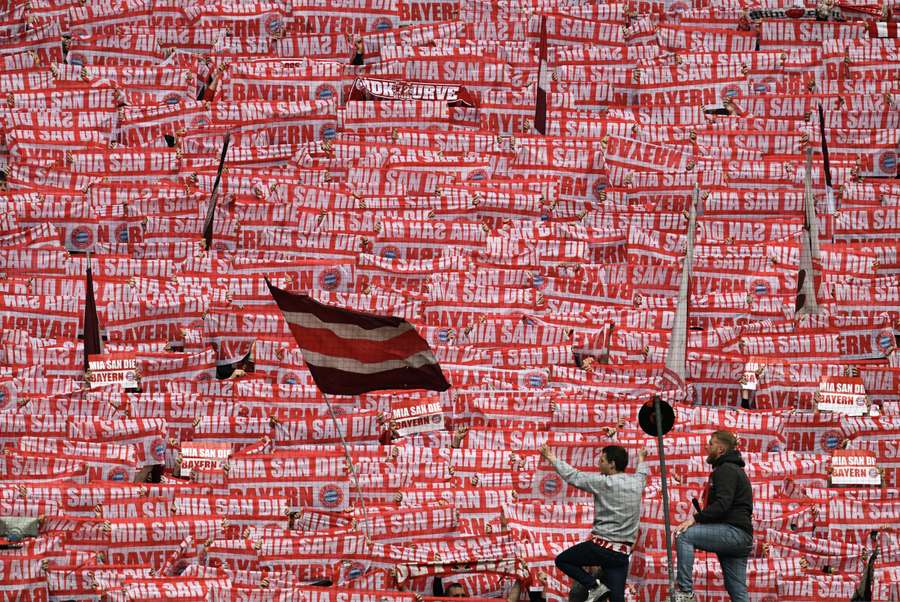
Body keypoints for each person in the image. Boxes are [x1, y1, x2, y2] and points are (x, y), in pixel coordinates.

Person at [540, 443, 649, 602]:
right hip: (621, 556)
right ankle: (596, 588)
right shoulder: (637, 483)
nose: (599, 463)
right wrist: (641, 458)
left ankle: (594, 586)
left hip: (601, 549)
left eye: (602, 460)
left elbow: (573, 476)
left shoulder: (603, 483)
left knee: (562, 560)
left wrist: (550, 457)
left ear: (612, 464)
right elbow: (642, 473)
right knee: (617, 599)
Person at [673, 430, 753, 602]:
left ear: (721, 450)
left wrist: (695, 519)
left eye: (710, 443)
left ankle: (685, 592)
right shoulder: (732, 469)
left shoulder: (726, 469)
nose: (706, 446)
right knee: (738, 592)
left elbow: (723, 505)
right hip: (741, 537)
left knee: (683, 535)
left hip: (734, 532)